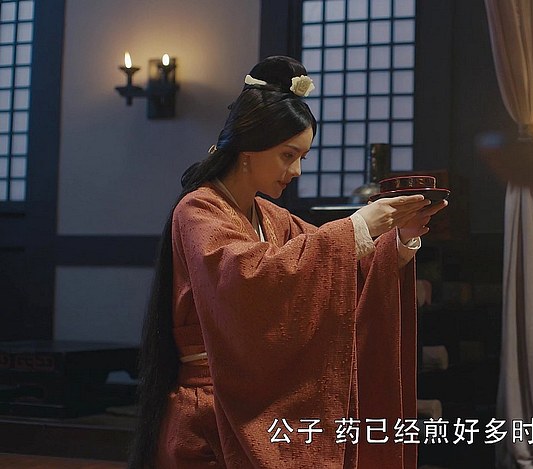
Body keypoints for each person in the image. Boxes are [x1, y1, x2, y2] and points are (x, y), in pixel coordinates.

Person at [128, 55, 447, 468]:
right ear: (248, 149)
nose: (296, 170)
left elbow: (341, 269)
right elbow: (248, 279)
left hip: (263, 395)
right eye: (287, 155)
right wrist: (357, 227)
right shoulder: (198, 210)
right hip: (213, 406)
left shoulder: (272, 217)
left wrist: (399, 237)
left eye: (302, 157)